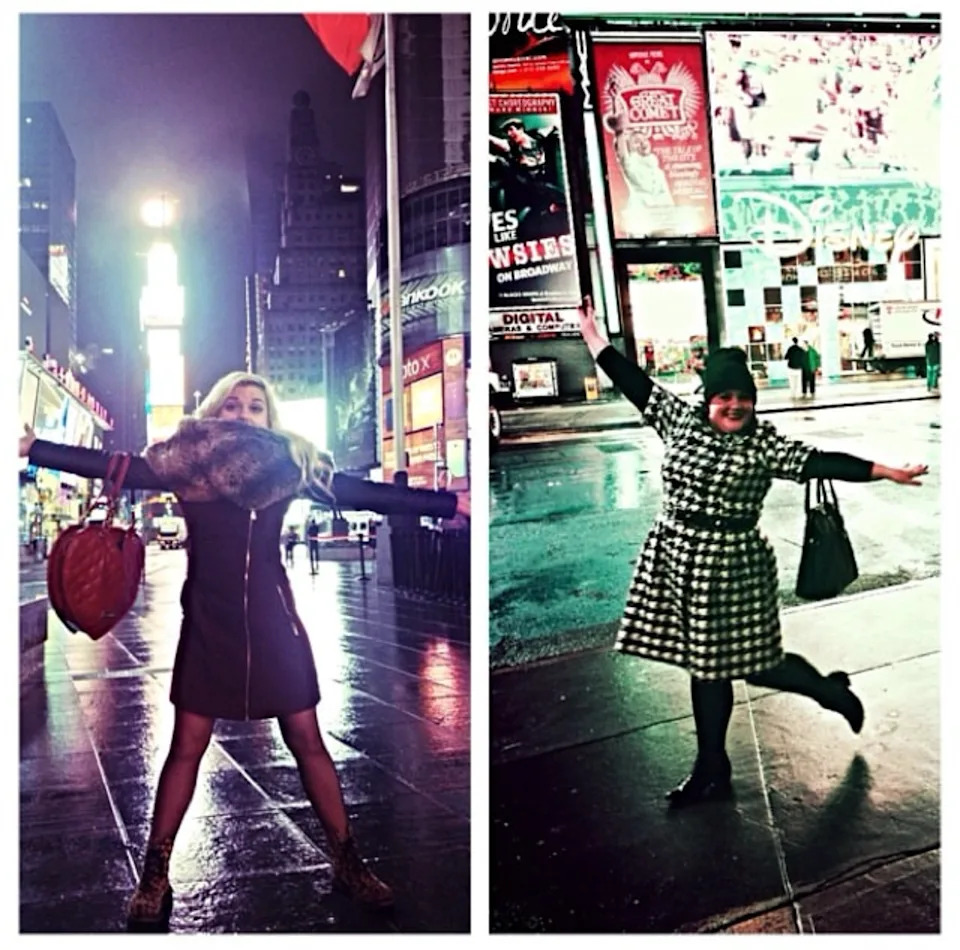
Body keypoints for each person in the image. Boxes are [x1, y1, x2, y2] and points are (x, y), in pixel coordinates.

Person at [20, 370, 463, 929]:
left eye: (256, 406)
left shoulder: (291, 463)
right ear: (213, 411)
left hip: (275, 623)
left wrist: (446, 504)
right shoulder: (183, 461)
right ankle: (155, 873)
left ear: (269, 418)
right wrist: (34, 448)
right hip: (209, 621)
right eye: (232, 405)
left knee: (307, 739)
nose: (244, 414)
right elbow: (115, 468)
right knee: (187, 745)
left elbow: (360, 491)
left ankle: (348, 862)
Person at [577, 298, 927, 809]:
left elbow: (819, 461)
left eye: (744, 397)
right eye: (724, 397)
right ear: (707, 398)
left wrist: (886, 470)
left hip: (734, 565)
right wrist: (591, 334)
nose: (735, 406)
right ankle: (713, 767)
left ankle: (826, 694)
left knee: (751, 664)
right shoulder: (677, 421)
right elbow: (632, 381)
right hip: (677, 558)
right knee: (709, 666)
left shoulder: (763, 444)